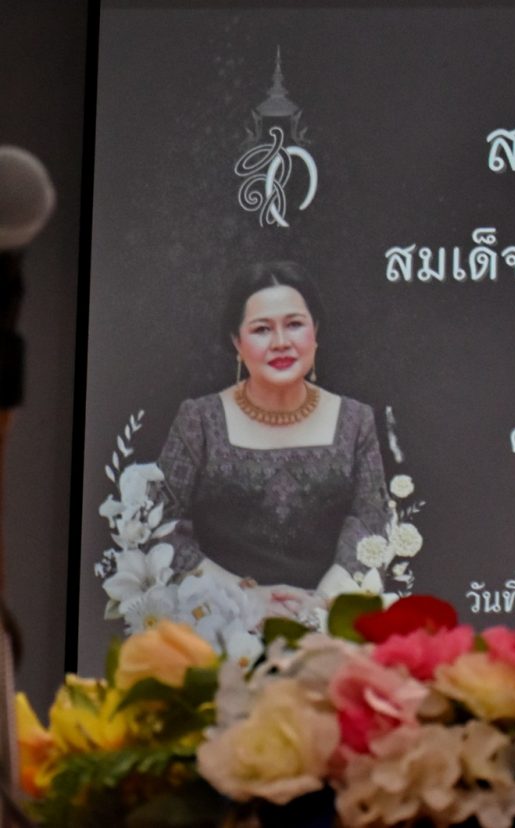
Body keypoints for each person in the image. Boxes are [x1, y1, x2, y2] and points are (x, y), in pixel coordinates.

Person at [156, 261, 389, 620]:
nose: (281, 343)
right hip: (219, 621)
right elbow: (162, 530)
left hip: (326, 621)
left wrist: (320, 604)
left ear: (315, 331)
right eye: (262, 329)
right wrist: (245, 600)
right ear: (237, 341)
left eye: (294, 324)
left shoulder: (356, 421)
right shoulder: (199, 421)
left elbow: (370, 524)